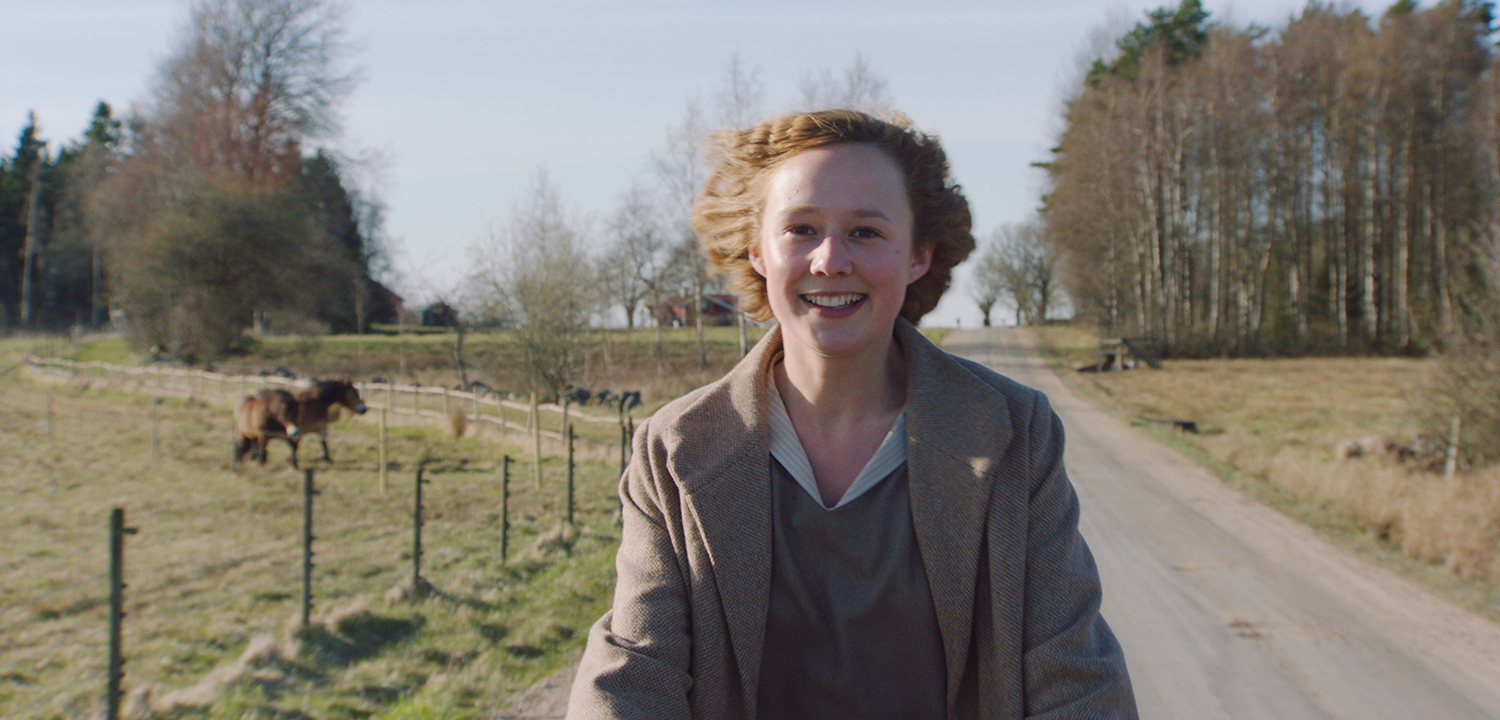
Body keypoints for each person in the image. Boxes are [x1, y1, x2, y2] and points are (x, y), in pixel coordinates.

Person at [567, 109, 1136, 719]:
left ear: (919, 255)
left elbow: (1074, 678)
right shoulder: (674, 450)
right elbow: (633, 676)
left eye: (866, 231)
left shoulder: (1017, 434)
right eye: (801, 229)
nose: (830, 260)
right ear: (758, 250)